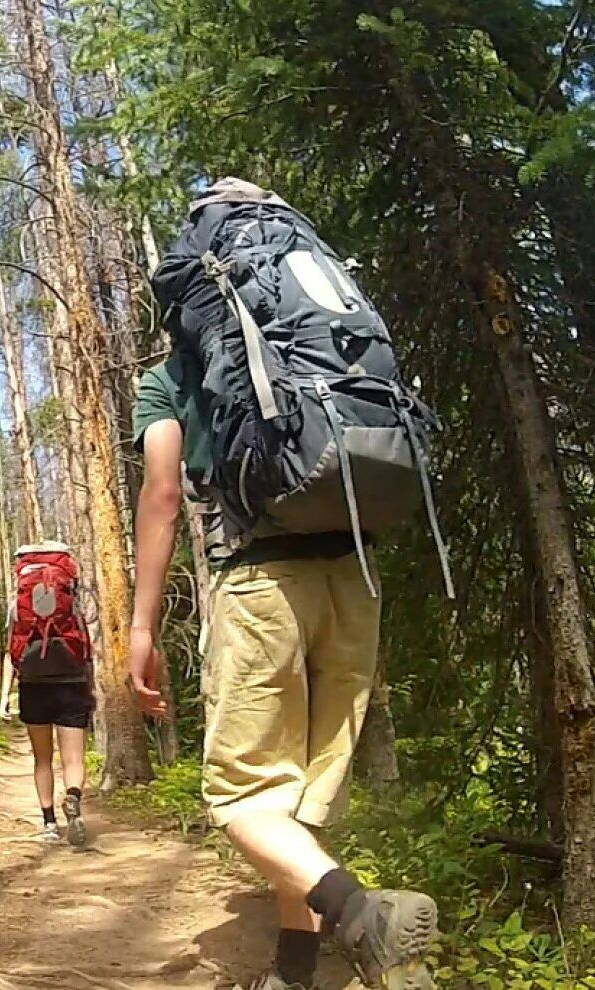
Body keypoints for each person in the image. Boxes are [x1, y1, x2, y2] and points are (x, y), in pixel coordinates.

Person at [128, 355, 438, 986]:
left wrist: (141, 626)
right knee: (296, 800)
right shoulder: (315, 350)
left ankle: (358, 912)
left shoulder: (170, 377)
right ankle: (293, 976)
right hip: (355, 582)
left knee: (242, 797)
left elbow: (162, 493)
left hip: (264, 581)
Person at [0, 541, 93, 847]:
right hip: (72, 683)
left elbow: (11, 653)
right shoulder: (75, 602)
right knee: (73, 759)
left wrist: (4, 697)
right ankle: (74, 800)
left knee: (42, 759)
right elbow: (88, 648)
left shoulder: (17, 605)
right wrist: (91, 689)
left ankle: (50, 823)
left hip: (33, 686)